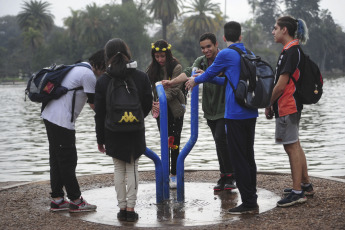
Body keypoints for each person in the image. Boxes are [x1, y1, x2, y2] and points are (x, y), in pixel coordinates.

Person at [185, 21, 259, 214]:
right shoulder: (248, 53)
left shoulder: (226, 53)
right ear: (240, 37)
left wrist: (195, 79)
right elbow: (225, 81)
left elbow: (208, 74)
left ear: (224, 39)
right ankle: (253, 197)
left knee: (239, 158)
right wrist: (204, 76)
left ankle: (249, 201)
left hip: (234, 114)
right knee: (249, 156)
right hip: (250, 111)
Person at [162, 33, 236, 191]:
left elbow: (229, 80)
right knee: (218, 142)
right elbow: (189, 71)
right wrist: (172, 82)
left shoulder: (223, 58)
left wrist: (207, 76)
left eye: (209, 46)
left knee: (221, 138)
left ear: (216, 44)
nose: (206, 50)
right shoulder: (201, 61)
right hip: (210, 110)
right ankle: (224, 175)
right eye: (203, 47)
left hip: (225, 108)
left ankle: (230, 175)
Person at [94, 38, 152, 222]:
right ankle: (131, 209)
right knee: (132, 166)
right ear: (128, 53)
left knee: (119, 168)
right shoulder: (141, 76)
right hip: (135, 129)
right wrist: (134, 118)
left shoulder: (103, 80)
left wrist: (100, 138)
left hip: (112, 131)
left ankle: (121, 209)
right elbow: (148, 104)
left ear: (107, 56)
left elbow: (99, 113)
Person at [42, 50, 104, 212]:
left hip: (50, 116)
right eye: (107, 67)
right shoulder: (88, 74)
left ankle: (57, 199)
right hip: (61, 121)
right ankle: (76, 200)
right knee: (68, 160)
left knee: (57, 159)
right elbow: (94, 105)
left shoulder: (77, 67)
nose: (106, 71)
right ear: (101, 64)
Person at [266, 16, 314, 207]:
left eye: (275, 28)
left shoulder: (291, 51)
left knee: (291, 146)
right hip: (290, 104)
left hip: (288, 104)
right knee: (295, 144)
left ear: (284, 30)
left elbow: (281, 84)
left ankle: (297, 192)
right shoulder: (291, 50)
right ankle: (305, 184)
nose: (273, 31)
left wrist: (268, 102)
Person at [146, 40, 186, 189]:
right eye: (157, 56)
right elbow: (148, 88)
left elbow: (175, 89)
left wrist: (161, 101)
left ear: (167, 54)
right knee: (164, 141)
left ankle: (174, 174)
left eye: (162, 56)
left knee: (174, 142)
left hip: (175, 110)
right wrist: (152, 102)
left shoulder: (176, 67)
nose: (160, 59)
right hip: (160, 109)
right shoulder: (151, 69)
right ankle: (164, 172)